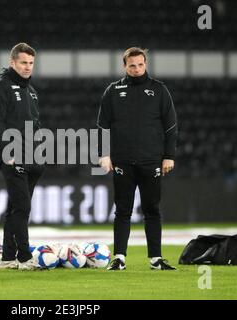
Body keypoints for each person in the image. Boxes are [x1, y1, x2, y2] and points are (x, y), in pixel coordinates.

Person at [97, 47, 178, 271]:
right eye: (132, 65)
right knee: (123, 211)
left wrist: (169, 156)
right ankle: (119, 258)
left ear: (145, 64)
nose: (136, 69)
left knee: (152, 210)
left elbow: (171, 126)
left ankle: (156, 259)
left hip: (151, 161)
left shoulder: (159, 90)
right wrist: (104, 154)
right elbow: (102, 125)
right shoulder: (113, 91)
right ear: (124, 66)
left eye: (140, 64)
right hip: (122, 162)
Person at [0, 43, 44, 270]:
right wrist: (6, 152)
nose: (28, 67)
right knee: (22, 207)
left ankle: (8, 256)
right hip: (14, 156)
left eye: (31, 63)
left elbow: (36, 124)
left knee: (16, 208)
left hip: (33, 157)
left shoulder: (31, 90)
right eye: (23, 62)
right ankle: (24, 257)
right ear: (12, 62)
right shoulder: (1, 87)